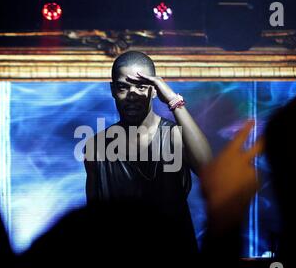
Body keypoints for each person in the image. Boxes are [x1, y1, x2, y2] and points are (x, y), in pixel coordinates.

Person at [84, 51, 212, 252]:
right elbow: (93, 216)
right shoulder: (96, 147)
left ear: (154, 90)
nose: (132, 96)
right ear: (112, 90)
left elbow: (209, 171)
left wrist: (172, 100)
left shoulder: (174, 136)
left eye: (141, 86)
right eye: (123, 87)